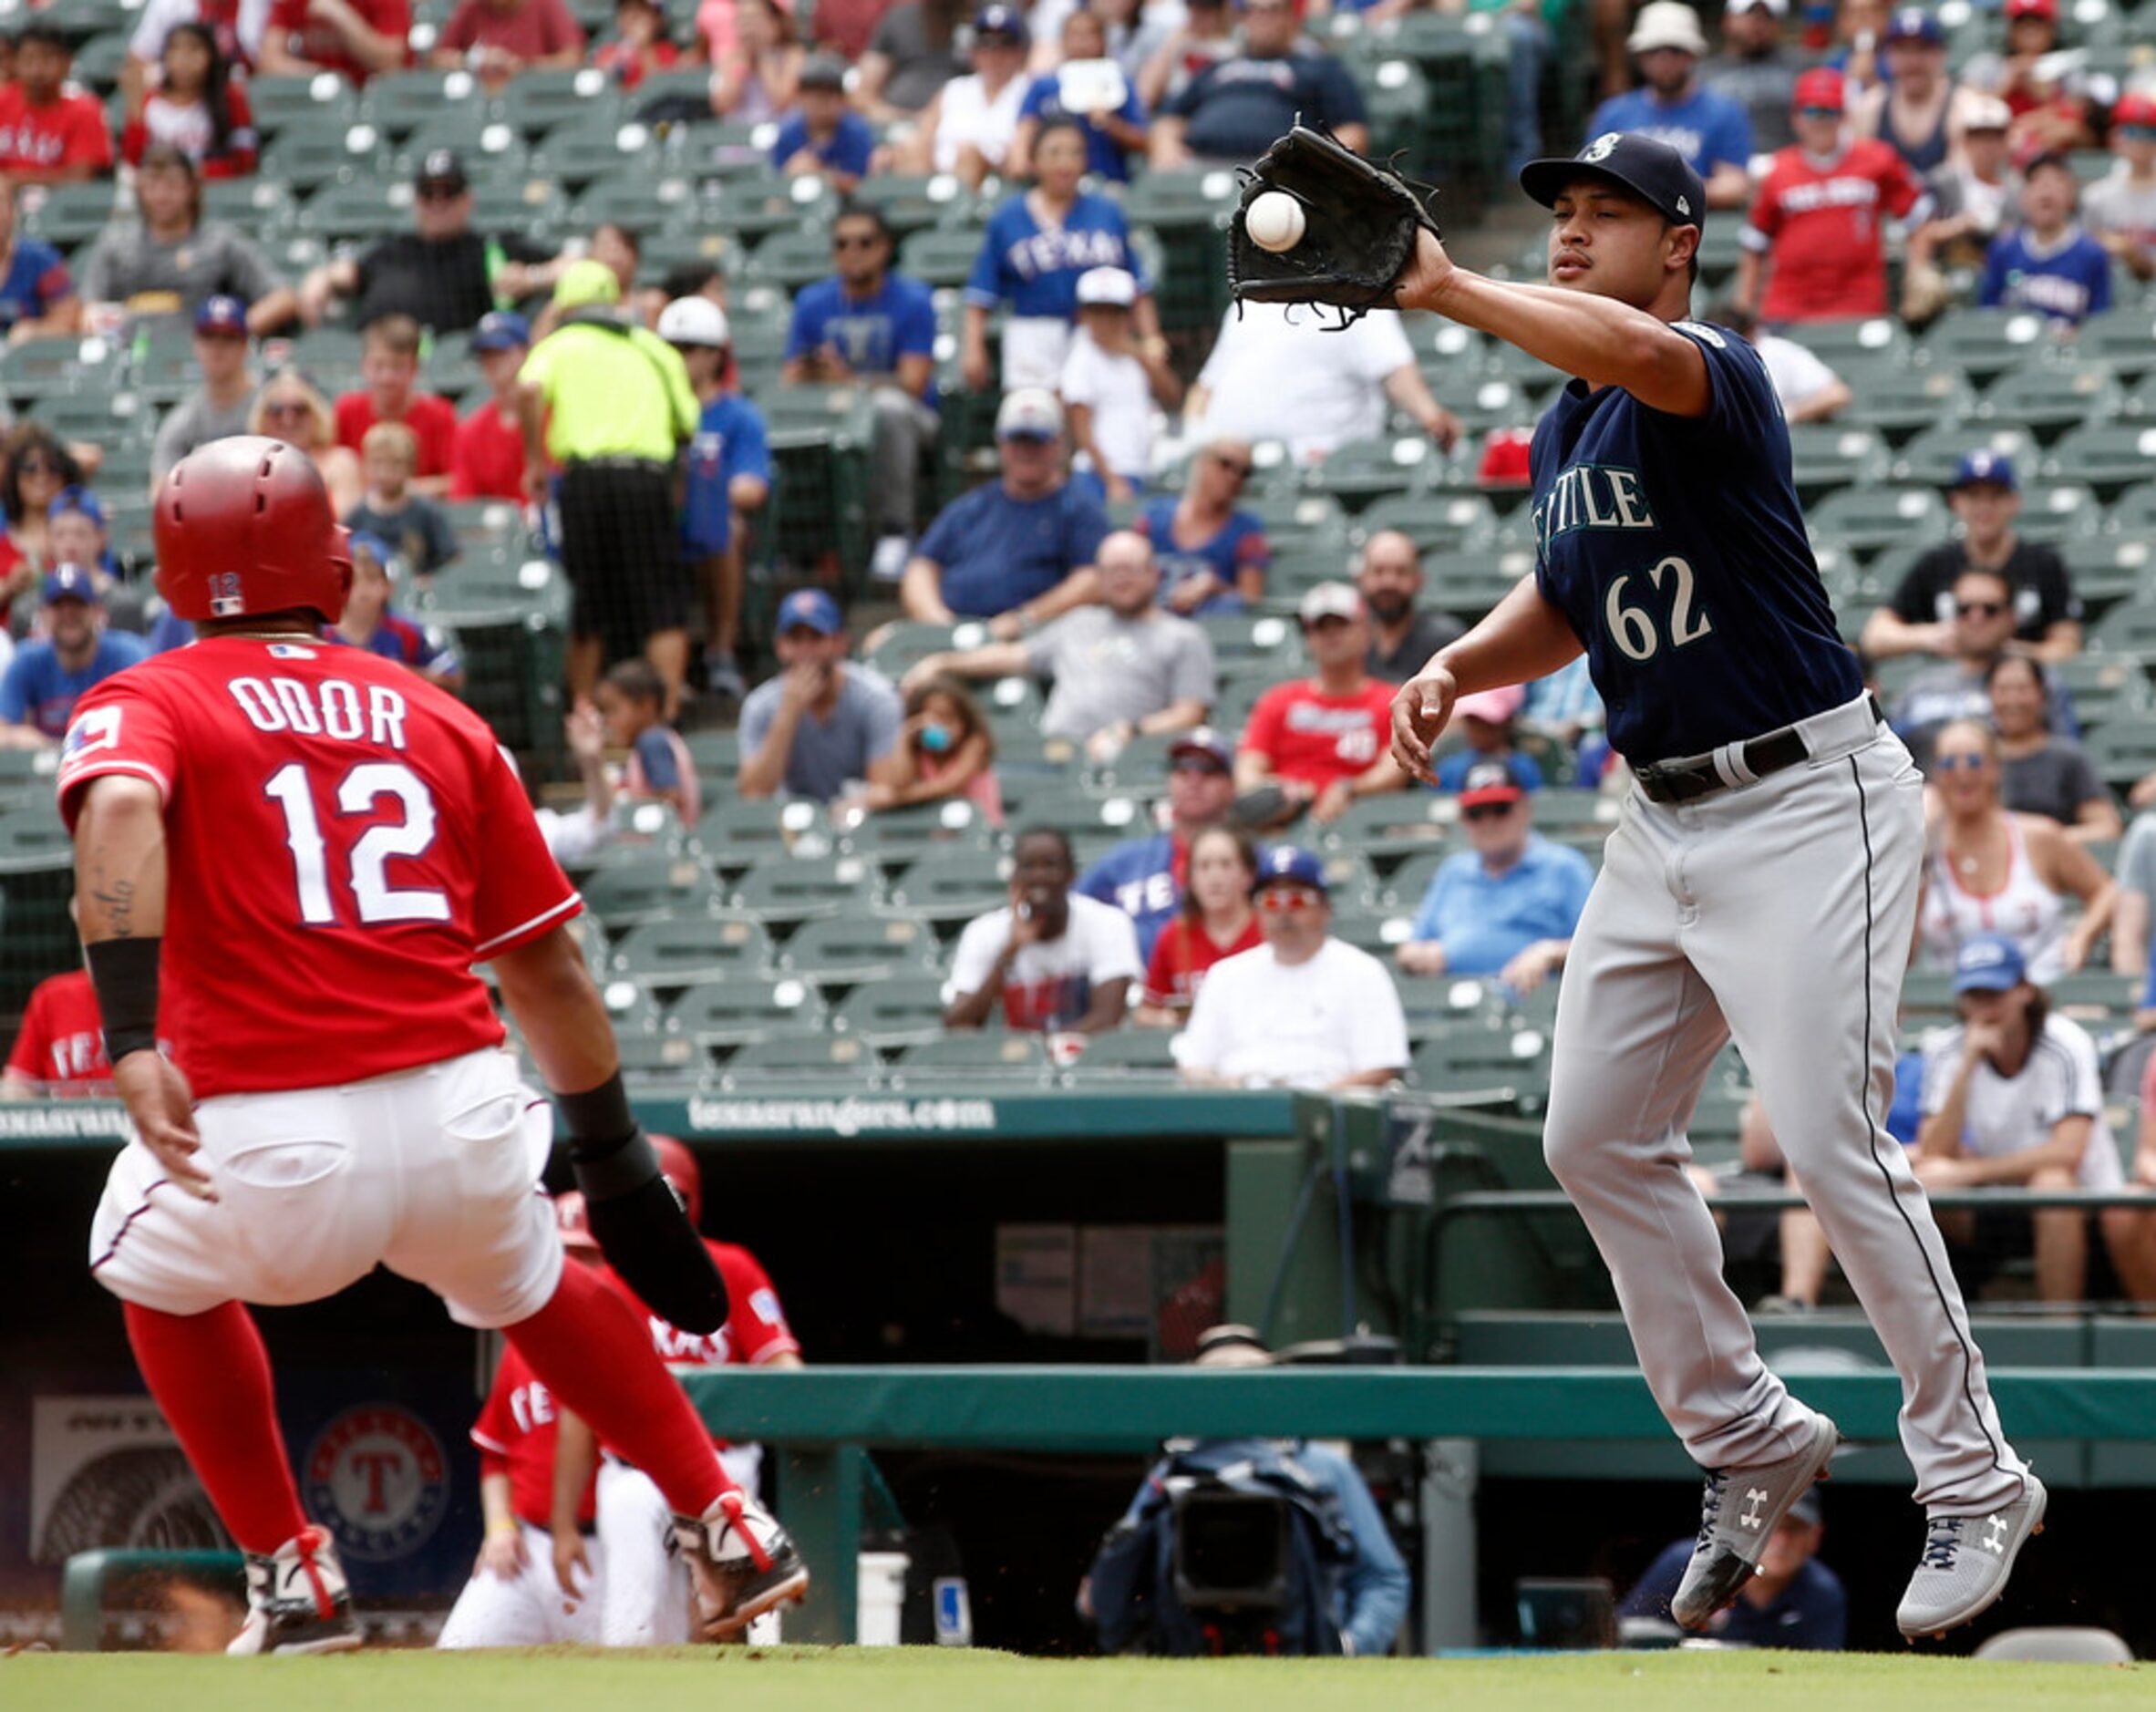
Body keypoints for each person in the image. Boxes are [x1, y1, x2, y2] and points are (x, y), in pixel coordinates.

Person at [1384, 130, 2044, 1639]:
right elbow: (1569, 596)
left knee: (1826, 1137)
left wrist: (1443, 283)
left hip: (1814, 799)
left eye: (1607, 212)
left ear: (1676, 242)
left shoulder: (1708, 370)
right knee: (1593, 1133)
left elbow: (1628, 345)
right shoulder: (1572, 428)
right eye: (1559, 208)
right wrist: (1454, 665)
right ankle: (1747, 1431)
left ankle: (1976, 1466)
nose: (1571, 230)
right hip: (1661, 818)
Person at [57, 437, 806, 1656]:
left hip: (268, 1128)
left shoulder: (148, 696)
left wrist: (131, 1031)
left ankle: (292, 1571)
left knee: (141, 1266)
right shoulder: (439, 714)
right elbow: (547, 965)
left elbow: (127, 807)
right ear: (336, 570)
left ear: (178, 578)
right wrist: (610, 1152)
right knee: (536, 1282)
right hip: (465, 1113)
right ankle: (723, 1512)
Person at [546, 1143, 806, 1648]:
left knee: (749, 1625)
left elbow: (786, 1372)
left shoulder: (732, 1267)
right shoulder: (608, 1285)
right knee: (632, 1622)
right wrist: (562, 1524)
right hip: (633, 1473)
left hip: (722, 1464)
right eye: (653, 1198)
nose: (664, 1210)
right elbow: (579, 1412)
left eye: (674, 1198)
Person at [1083, 1325, 1409, 1657]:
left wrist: (1347, 1647)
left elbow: (1383, 1579)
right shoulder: (1172, 1474)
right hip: (1193, 1665)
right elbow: (1112, 1584)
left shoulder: (1321, 1468)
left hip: (1300, 1664)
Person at [1917, 933, 2151, 1304]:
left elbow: (2067, 1153)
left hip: (2082, 1202)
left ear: (2024, 991)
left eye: (1994, 993)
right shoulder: (1948, 1049)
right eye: (1974, 995)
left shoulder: (2065, 1042)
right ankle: (1945, 1330)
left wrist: (1970, 1172)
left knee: (2052, 1183)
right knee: (1925, 1185)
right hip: (1993, 1199)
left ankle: (2059, 1331)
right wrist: (1967, 1068)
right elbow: (1934, 1150)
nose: (1984, 1007)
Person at [517, 261, 701, 706]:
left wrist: (534, 462)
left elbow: (527, 390)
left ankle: (583, 713)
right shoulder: (654, 348)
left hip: (588, 482)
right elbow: (689, 423)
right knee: (661, 603)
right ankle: (667, 709)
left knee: (587, 606)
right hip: (645, 479)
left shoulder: (559, 344)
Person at [435, 1209, 606, 1650]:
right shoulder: (524, 1348)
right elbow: (496, 1456)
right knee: (457, 1652)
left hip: (607, 1550)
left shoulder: (630, 1350)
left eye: (586, 1256)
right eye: (564, 1255)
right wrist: (499, 1528)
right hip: (527, 1548)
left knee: (628, 1673)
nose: (573, 1269)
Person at [903, 529, 1215, 759]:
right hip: (1055, 752)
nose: (1122, 580)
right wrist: (942, 663)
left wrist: (1131, 731)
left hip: (1133, 756)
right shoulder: (1078, 622)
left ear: (1153, 575)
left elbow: (1190, 713)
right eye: (1111, 571)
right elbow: (1014, 655)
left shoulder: (1183, 637)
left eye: (1131, 570)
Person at [783, 205, 940, 580]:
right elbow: (789, 381)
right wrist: (813, 370)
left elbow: (913, 383)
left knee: (887, 407)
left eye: (864, 242)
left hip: (914, 419)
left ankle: (895, 531)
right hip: (834, 413)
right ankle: (800, 543)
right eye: (842, 244)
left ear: (885, 248)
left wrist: (849, 380)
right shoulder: (812, 302)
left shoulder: (913, 300)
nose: (852, 251)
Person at [1178, 847, 1408, 1089]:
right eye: (1270, 900)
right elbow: (1193, 1065)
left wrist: (1306, 1106)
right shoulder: (1225, 976)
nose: (1283, 911)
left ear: (1325, 908)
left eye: (1297, 899)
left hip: (1329, 1111)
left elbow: (1380, 1069)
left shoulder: (1362, 972)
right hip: (1239, 1110)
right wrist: (1231, 1088)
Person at [963, 118, 1161, 393]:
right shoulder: (1008, 217)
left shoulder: (1107, 211)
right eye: (1054, 153)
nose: (1065, 163)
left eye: (1075, 153)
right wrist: (973, 348)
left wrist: (1151, 339)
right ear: (1034, 160)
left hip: (1100, 333)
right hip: (1033, 333)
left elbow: (1136, 284)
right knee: (1037, 424)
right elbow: (981, 292)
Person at [1916, 718, 2113, 981]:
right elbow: (1903, 954)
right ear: (1937, 776)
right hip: (1950, 1004)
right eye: (1949, 763)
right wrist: (1923, 846)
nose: (1962, 773)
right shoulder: (1922, 849)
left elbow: (2107, 892)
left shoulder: (2039, 835)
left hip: (2041, 995)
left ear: (1995, 769)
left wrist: (2081, 936)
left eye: (1974, 761)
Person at [900, 389, 1109, 629]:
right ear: (1001, 443)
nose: (1026, 451)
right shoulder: (972, 506)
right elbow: (922, 567)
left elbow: (1091, 579)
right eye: (1017, 441)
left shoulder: (1078, 508)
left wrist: (1025, 618)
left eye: (1036, 442)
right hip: (955, 631)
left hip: (1033, 640)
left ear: (1059, 445)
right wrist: (937, 620)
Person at [1735, 69, 1926, 325]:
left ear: (1844, 116)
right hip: (1788, 307)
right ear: (1796, 117)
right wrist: (1743, 310)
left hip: (1859, 304)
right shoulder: (1776, 171)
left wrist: (1918, 274)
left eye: (1830, 111)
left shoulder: (1878, 160)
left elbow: (1919, 217)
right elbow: (1754, 247)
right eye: (1812, 111)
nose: (1821, 120)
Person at [299, 152, 557, 335]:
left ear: (467, 199)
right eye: (428, 193)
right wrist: (320, 278)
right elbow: (345, 273)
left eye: (448, 192)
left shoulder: (492, 247)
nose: (438, 203)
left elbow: (574, 266)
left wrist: (532, 277)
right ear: (416, 201)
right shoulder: (392, 250)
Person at [1862, 452, 2081, 665]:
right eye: (1974, 496)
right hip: (1948, 686)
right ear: (1956, 502)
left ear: (2014, 502)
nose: (1984, 507)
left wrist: (2013, 655)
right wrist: (1930, 636)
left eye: (1995, 496)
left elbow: (2067, 645)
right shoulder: (1937, 564)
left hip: (2020, 691)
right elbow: (1875, 637)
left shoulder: (2042, 564)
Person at [1397, 758, 1593, 993]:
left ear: (1524, 810)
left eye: (1501, 809)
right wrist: (1423, 956)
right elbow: (1410, 949)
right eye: (1476, 813)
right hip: (1459, 1008)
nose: (1488, 822)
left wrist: (1549, 952)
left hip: (1538, 1009)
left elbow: (1598, 947)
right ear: (1463, 819)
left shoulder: (1564, 867)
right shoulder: (1453, 871)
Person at [1184, 302, 1462, 464]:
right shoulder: (1248, 301)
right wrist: (1194, 439)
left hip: (1318, 463)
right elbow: (1205, 387)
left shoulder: (1353, 296)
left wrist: (1431, 416)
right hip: (1230, 467)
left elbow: (1394, 371)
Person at [662, 295, 769, 704]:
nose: (678, 358)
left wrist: (699, 489)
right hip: (660, 524)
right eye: (670, 348)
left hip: (707, 525)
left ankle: (721, 651)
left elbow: (751, 487)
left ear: (713, 355)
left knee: (723, 526)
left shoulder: (739, 415)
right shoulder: (652, 407)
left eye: (688, 349)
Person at [1236, 583, 1406, 828]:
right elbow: (1247, 773)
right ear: (1308, 638)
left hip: (1362, 823)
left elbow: (1394, 770)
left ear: (1367, 632)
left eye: (1342, 624)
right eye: (1320, 627)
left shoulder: (1392, 701)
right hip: (1283, 824)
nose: (1331, 634)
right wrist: (1287, 794)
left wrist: (1350, 789)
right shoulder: (1277, 701)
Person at [944, 826, 1142, 1034]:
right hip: (1012, 1061)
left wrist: (1044, 1051)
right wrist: (1010, 952)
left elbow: (1108, 1018)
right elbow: (958, 1022)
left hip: (1088, 1058)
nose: (1039, 876)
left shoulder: (1108, 923)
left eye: (1051, 866)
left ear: (1071, 874)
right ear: (1014, 876)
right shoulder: (984, 932)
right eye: (1029, 867)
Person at [80, 146, 295, 335]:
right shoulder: (115, 246)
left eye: (172, 185)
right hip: (129, 354)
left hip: (201, 357)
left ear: (192, 187)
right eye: (152, 185)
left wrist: (230, 334)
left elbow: (282, 298)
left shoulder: (221, 243)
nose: (161, 196)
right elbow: (88, 311)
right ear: (139, 190)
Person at [1078, 726, 1238, 957]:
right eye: (1183, 769)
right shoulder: (1123, 862)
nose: (1194, 779)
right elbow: (1072, 918)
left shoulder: (1254, 863)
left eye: (1208, 769)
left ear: (1231, 786)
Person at [1889, 566, 2073, 768]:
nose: (1976, 618)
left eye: (1990, 609)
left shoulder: (2037, 681)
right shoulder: (1920, 685)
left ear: (2012, 616)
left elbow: (2064, 762)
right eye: (1965, 609)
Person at [1150, 0, 1367, 168]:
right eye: (1253, 10)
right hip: (1199, 167)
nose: (1262, 18)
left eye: (1272, 9)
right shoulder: (1216, 66)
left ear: (1292, 17)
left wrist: (1301, 158)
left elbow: (1353, 132)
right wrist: (1167, 147)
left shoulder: (1319, 68)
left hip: (1281, 172)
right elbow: (1169, 119)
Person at [1621, 1489, 1846, 1648]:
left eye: (1794, 1529)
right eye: (1768, 1527)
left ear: (1815, 1537)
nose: (1781, 1541)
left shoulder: (1822, 1591)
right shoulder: (1686, 1564)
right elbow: (1623, 1635)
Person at [738, 589, 904, 803]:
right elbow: (755, 792)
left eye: (816, 638)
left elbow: (884, 788)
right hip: (792, 827)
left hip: (861, 822)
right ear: (780, 647)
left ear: (840, 642)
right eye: (795, 639)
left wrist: (843, 814)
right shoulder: (760, 706)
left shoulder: (877, 699)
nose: (805, 651)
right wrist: (788, 713)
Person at [1584, 3, 1751, 210]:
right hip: (1625, 223)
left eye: (1675, 50)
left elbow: (1733, 185)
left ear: (1693, 54)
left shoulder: (1724, 111)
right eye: (1654, 51)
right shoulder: (1614, 113)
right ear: (1640, 56)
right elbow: (1590, 180)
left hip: (1698, 226)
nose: (1664, 59)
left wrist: (1660, 192)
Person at [1060, 266, 1180, 504]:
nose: (1105, 321)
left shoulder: (1134, 355)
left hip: (1140, 470)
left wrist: (1138, 354)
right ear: (1084, 315)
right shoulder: (1081, 358)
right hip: (1098, 476)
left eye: (1113, 312)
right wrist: (1111, 480)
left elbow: (1172, 395)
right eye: (1097, 312)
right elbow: (1080, 429)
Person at [0, 568, 149, 748]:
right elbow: (3, 729)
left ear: (97, 612)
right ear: (43, 615)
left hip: (108, 763)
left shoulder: (127, 654)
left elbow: (146, 723)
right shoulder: (28, 658)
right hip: (46, 772)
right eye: (59, 606)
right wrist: (25, 738)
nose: (68, 615)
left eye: (78, 605)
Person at [1133, 824, 1262, 1026]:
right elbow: (1146, 1011)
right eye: (1203, 866)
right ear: (1190, 879)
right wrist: (1165, 1019)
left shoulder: (1270, 931)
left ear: (1248, 876)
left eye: (1226, 864)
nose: (1215, 877)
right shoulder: (1174, 934)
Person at [1989, 655, 2118, 845]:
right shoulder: (1975, 759)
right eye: (2003, 690)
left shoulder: (2067, 757)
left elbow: (2106, 827)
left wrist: (2046, 844)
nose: (2012, 700)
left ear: (2042, 695)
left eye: (2022, 689)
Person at [1010, 7, 1149, 184]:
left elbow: (1144, 141)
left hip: (1108, 181)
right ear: (1062, 41)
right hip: (1051, 184)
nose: (1082, 42)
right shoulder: (1044, 86)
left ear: (1103, 41)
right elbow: (1025, 129)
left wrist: (1109, 123)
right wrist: (1021, 159)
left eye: (1089, 34)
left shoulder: (1120, 83)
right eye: (1075, 34)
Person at [1851, 8, 1989, 177]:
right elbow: (1862, 177)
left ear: (1940, 55)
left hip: (1948, 202)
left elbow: (1964, 183)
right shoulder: (1870, 107)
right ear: (1888, 56)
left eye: (1922, 49)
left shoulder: (1963, 106)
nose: (1913, 61)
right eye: (1903, 50)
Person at [1137, 438, 1267, 617]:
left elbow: (1251, 600)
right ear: (1201, 463)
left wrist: (1213, 587)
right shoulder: (1154, 516)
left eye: (1245, 472)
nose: (1234, 477)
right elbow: (1128, 567)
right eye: (1225, 464)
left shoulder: (1247, 529)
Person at [1979, 153, 2110, 329]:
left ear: (2071, 194)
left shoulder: (2092, 255)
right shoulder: (2003, 251)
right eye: (2036, 182)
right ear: (2024, 196)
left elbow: (2099, 323)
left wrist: (2075, 337)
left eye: (2057, 182)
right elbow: (1986, 316)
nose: (2046, 190)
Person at [904, 4, 1030, 185]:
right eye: (985, 43)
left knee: (967, 153)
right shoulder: (955, 89)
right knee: (911, 146)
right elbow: (924, 133)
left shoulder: (1029, 89)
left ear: (1019, 51)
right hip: (937, 178)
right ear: (973, 51)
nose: (994, 53)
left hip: (994, 184)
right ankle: (917, 211)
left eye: (1005, 43)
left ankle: (958, 212)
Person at [851, 673, 1003, 823]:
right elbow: (900, 782)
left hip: (982, 829)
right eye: (933, 720)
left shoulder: (975, 744)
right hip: (940, 835)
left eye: (947, 718)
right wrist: (905, 736)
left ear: (964, 720)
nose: (941, 727)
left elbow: (948, 785)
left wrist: (897, 798)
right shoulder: (921, 753)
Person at [334, 316, 459, 494]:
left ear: (415, 369)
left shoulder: (440, 415)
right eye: (378, 366)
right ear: (364, 366)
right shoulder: (346, 410)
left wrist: (400, 491)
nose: (387, 377)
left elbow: (457, 480)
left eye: (398, 367)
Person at [324, 531, 462, 688]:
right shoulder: (321, 634)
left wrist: (402, 673)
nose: (363, 589)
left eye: (372, 578)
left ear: (388, 586)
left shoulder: (410, 632)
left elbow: (452, 677)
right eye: (354, 580)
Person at [119, 22, 257, 178]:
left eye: (194, 49)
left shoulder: (231, 99)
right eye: (175, 50)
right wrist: (135, 111)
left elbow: (245, 160)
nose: (184, 60)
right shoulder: (149, 102)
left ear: (211, 55)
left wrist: (197, 174)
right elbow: (133, 160)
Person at [150, 295, 258, 482]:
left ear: (245, 345)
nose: (217, 346)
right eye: (208, 336)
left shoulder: (270, 410)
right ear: (196, 344)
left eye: (228, 337)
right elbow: (161, 490)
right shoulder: (184, 420)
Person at [0, 23, 115, 185]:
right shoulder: (2, 101)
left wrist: (12, 181)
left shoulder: (86, 110)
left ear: (67, 64)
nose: (36, 69)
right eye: (28, 59)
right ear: (16, 63)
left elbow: (80, 179)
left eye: (47, 59)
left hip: (60, 206)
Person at [344, 422, 459, 578]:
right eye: (377, 463)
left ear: (411, 466)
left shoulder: (426, 512)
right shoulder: (357, 515)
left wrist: (430, 579)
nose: (385, 473)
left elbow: (450, 557)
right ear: (366, 464)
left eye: (395, 464)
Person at [595, 657, 699, 823]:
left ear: (647, 705)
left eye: (613, 710)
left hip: (663, 845)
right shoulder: (655, 739)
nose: (607, 720)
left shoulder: (652, 742)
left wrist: (625, 800)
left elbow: (670, 797)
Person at [4, 953, 119, 1098]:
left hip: (141, 1118)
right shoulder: (52, 996)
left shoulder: (155, 994)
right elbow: (19, 1084)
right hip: (68, 1118)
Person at [252, 367, 364, 518]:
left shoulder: (340, 463)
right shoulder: (251, 467)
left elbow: (346, 524)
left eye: (300, 410)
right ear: (262, 418)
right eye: (276, 410)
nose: (288, 420)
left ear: (316, 414)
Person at [1718, 303, 1852, 422]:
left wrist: (1788, 415)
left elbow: (1837, 394)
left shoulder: (1776, 351)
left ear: (1750, 334)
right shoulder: (1706, 358)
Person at [1360, 531, 1464, 683]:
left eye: (1401, 572)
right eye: (1378, 571)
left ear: (1419, 580)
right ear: (1361, 579)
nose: (1389, 582)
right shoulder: (1346, 638)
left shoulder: (1446, 639)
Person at [450, 311, 532, 501]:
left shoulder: (551, 416)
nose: (492, 361)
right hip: (499, 527)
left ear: (526, 352)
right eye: (485, 354)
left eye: (501, 352)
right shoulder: (470, 430)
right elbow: (465, 503)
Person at [1699, 0, 1800, 156]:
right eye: (1750, 14)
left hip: (1787, 166)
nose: (1759, 22)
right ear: (1727, 20)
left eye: (1769, 16)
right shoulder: (1702, 74)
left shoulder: (1804, 66)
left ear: (1779, 25)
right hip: (1724, 168)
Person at [769, 53, 875, 191]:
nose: (822, 102)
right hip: (797, 205)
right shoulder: (788, 132)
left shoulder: (856, 132)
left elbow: (860, 185)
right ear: (801, 96)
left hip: (846, 206)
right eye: (815, 95)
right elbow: (775, 181)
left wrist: (819, 174)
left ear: (842, 99)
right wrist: (794, 172)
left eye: (830, 94)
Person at [0, 426, 83, 599]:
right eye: (30, 468)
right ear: (15, 477)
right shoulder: (2, 535)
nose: (41, 476)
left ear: (65, 476)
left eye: (52, 468)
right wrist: (9, 587)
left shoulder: (82, 535)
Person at [2084, 91, 2156, 284]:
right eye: (2132, 131)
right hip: (2107, 295)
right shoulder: (2097, 196)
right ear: (2116, 137)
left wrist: (2133, 255)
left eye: (2150, 132)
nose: (2141, 141)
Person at [855, 0, 968, 120]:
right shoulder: (899, 18)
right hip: (899, 120)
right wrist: (900, 117)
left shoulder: (982, 20)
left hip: (959, 121)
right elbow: (864, 93)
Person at [431, 0, 586, 88]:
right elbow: (436, 59)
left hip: (530, 97)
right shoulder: (471, 7)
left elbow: (572, 59)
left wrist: (522, 66)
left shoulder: (545, 5)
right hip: (476, 99)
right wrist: (471, 60)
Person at [0, 180, 78, 347]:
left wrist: (36, 331)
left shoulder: (41, 259)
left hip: (24, 364)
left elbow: (70, 319)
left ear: (13, 211)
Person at [258, 0, 411, 82]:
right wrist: (322, 76)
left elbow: (390, 62)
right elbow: (268, 62)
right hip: (318, 104)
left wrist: (342, 16)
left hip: (371, 103)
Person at [1432, 685, 1546, 793]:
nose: (1478, 728)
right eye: (1472, 720)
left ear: (1508, 721)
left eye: (1485, 722)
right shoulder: (1449, 770)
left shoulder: (1524, 768)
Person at [708, 0, 802, 123]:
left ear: (775, 24)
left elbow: (782, 102)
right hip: (737, 134)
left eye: (754, 19)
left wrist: (764, 60)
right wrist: (741, 67)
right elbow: (721, 106)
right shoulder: (730, 58)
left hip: (778, 131)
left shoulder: (793, 56)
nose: (748, 28)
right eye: (742, 20)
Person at [596, 0, 680, 90]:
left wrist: (644, 49)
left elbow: (660, 87)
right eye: (626, 11)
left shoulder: (667, 51)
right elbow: (604, 91)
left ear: (657, 19)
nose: (631, 18)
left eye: (640, 13)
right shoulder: (609, 53)